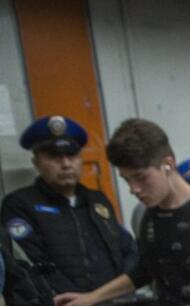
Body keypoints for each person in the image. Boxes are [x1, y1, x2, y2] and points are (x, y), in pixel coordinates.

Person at [54, 119, 190, 306]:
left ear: (168, 164)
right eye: (127, 180)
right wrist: (91, 298)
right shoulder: (143, 215)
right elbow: (145, 270)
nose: (134, 189)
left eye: (140, 177)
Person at [2, 115, 137, 295]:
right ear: (36, 163)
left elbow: (126, 249)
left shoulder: (96, 200)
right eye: (54, 157)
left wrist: (116, 290)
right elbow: (32, 265)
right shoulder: (20, 205)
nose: (66, 164)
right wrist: (81, 300)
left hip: (115, 302)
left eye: (72, 155)